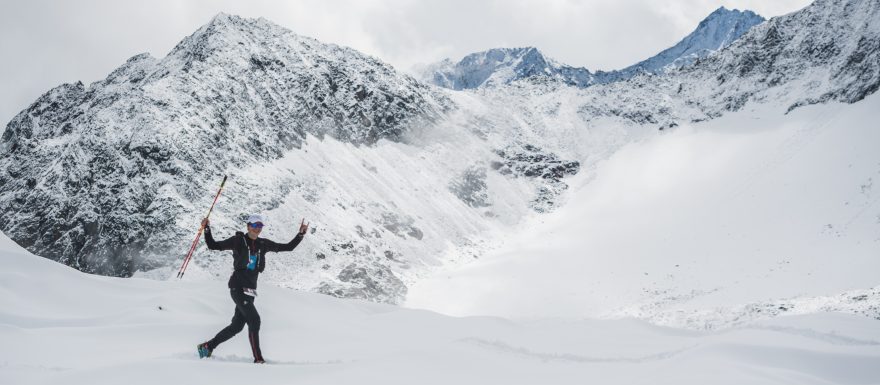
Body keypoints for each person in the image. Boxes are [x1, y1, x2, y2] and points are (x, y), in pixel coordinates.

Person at [197, 214, 309, 363]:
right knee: (255, 320)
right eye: (254, 225)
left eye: (260, 226)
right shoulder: (238, 241)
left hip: (250, 292)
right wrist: (207, 229)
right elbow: (213, 245)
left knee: (236, 327)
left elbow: (288, 247)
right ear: (248, 226)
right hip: (237, 288)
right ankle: (258, 359)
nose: (257, 229)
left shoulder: (263, 244)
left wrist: (300, 234)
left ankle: (207, 346)